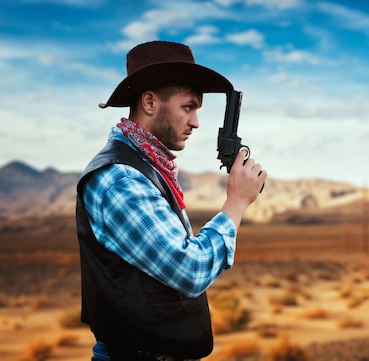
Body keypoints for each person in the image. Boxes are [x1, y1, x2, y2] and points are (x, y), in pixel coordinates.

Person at [75, 40, 267, 361]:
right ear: (149, 102)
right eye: (188, 107)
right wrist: (235, 202)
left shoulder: (148, 166)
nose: (195, 122)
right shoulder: (120, 178)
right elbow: (190, 271)